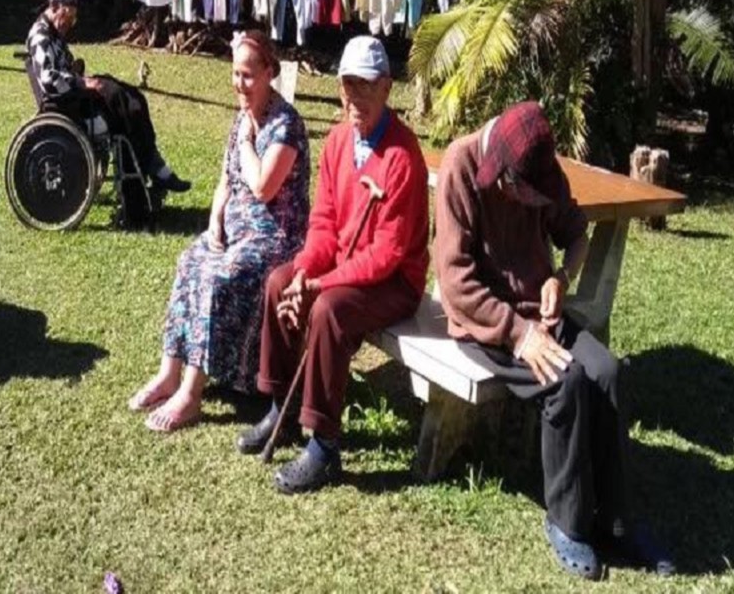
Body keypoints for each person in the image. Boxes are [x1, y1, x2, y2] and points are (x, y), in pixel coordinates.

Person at [433, 100, 674, 580]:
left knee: (606, 373)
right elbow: (456, 282)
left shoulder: (541, 167)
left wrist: (561, 278)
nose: (516, 196)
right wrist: (519, 335)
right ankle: (567, 521)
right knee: (566, 381)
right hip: (485, 324)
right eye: (511, 186)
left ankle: (617, 521)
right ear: (496, 162)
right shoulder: (461, 164)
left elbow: (577, 235)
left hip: (537, 316)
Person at [236, 35, 429, 493]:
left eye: (366, 85)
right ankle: (281, 407)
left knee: (329, 310)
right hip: (345, 265)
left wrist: (320, 286)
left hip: (394, 282)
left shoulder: (402, 157)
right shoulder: (339, 141)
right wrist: (305, 271)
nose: (355, 96)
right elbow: (324, 222)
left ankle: (324, 444)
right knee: (279, 282)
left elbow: (386, 255)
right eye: (348, 85)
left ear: (386, 88)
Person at [130, 30, 310, 433]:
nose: (239, 84)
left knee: (218, 277)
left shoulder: (286, 125)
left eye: (247, 75)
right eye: (235, 74)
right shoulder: (242, 117)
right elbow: (226, 180)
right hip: (236, 232)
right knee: (191, 261)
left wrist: (246, 141)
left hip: (275, 237)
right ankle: (169, 373)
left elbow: (263, 187)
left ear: (269, 73)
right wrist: (215, 221)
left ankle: (191, 393)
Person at [25, 0, 190, 193]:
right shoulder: (40, 36)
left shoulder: (53, 32)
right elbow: (48, 79)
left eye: (73, 20)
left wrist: (80, 76)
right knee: (126, 105)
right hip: (67, 103)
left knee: (134, 97)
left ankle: (155, 168)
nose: (69, 25)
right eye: (67, 18)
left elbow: (63, 68)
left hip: (73, 93)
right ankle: (153, 173)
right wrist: (82, 83)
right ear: (54, 7)